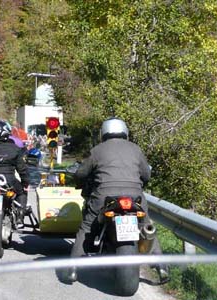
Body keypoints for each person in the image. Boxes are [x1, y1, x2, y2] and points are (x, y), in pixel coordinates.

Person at [63, 117, 169, 282]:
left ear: (104, 133)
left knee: (87, 226)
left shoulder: (97, 150)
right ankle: (162, 268)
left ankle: (73, 270)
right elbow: (146, 175)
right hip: (134, 196)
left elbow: (82, 173)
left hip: (103, 196)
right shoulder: (135, 149)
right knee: (146, 225)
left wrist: (78, 180)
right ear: (125, 132)